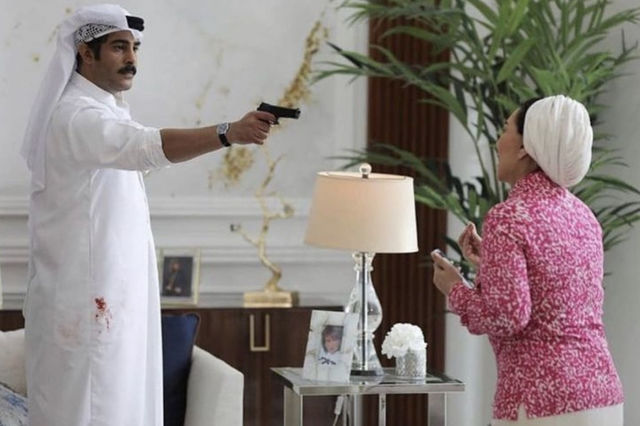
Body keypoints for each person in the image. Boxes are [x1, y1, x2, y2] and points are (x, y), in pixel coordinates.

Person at [20, 4, 276, 426]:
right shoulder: (76, 116)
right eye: (119, 47)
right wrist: (228, 132)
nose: (132, 59)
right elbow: (144, 148)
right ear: (85, 53)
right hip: (86, 309)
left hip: (111, 303)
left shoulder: (106, 110)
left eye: (135, 48)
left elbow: (138, 153)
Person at [431, 95, 624, 426]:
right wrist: (491, 263)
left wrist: (455, 289)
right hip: (600, 393)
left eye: (505, 129)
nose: (497, 141)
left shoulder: (509, 217)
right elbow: (556, 291)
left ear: (524, 147)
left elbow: (507, 317)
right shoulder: (583, 215)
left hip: (540, 401)